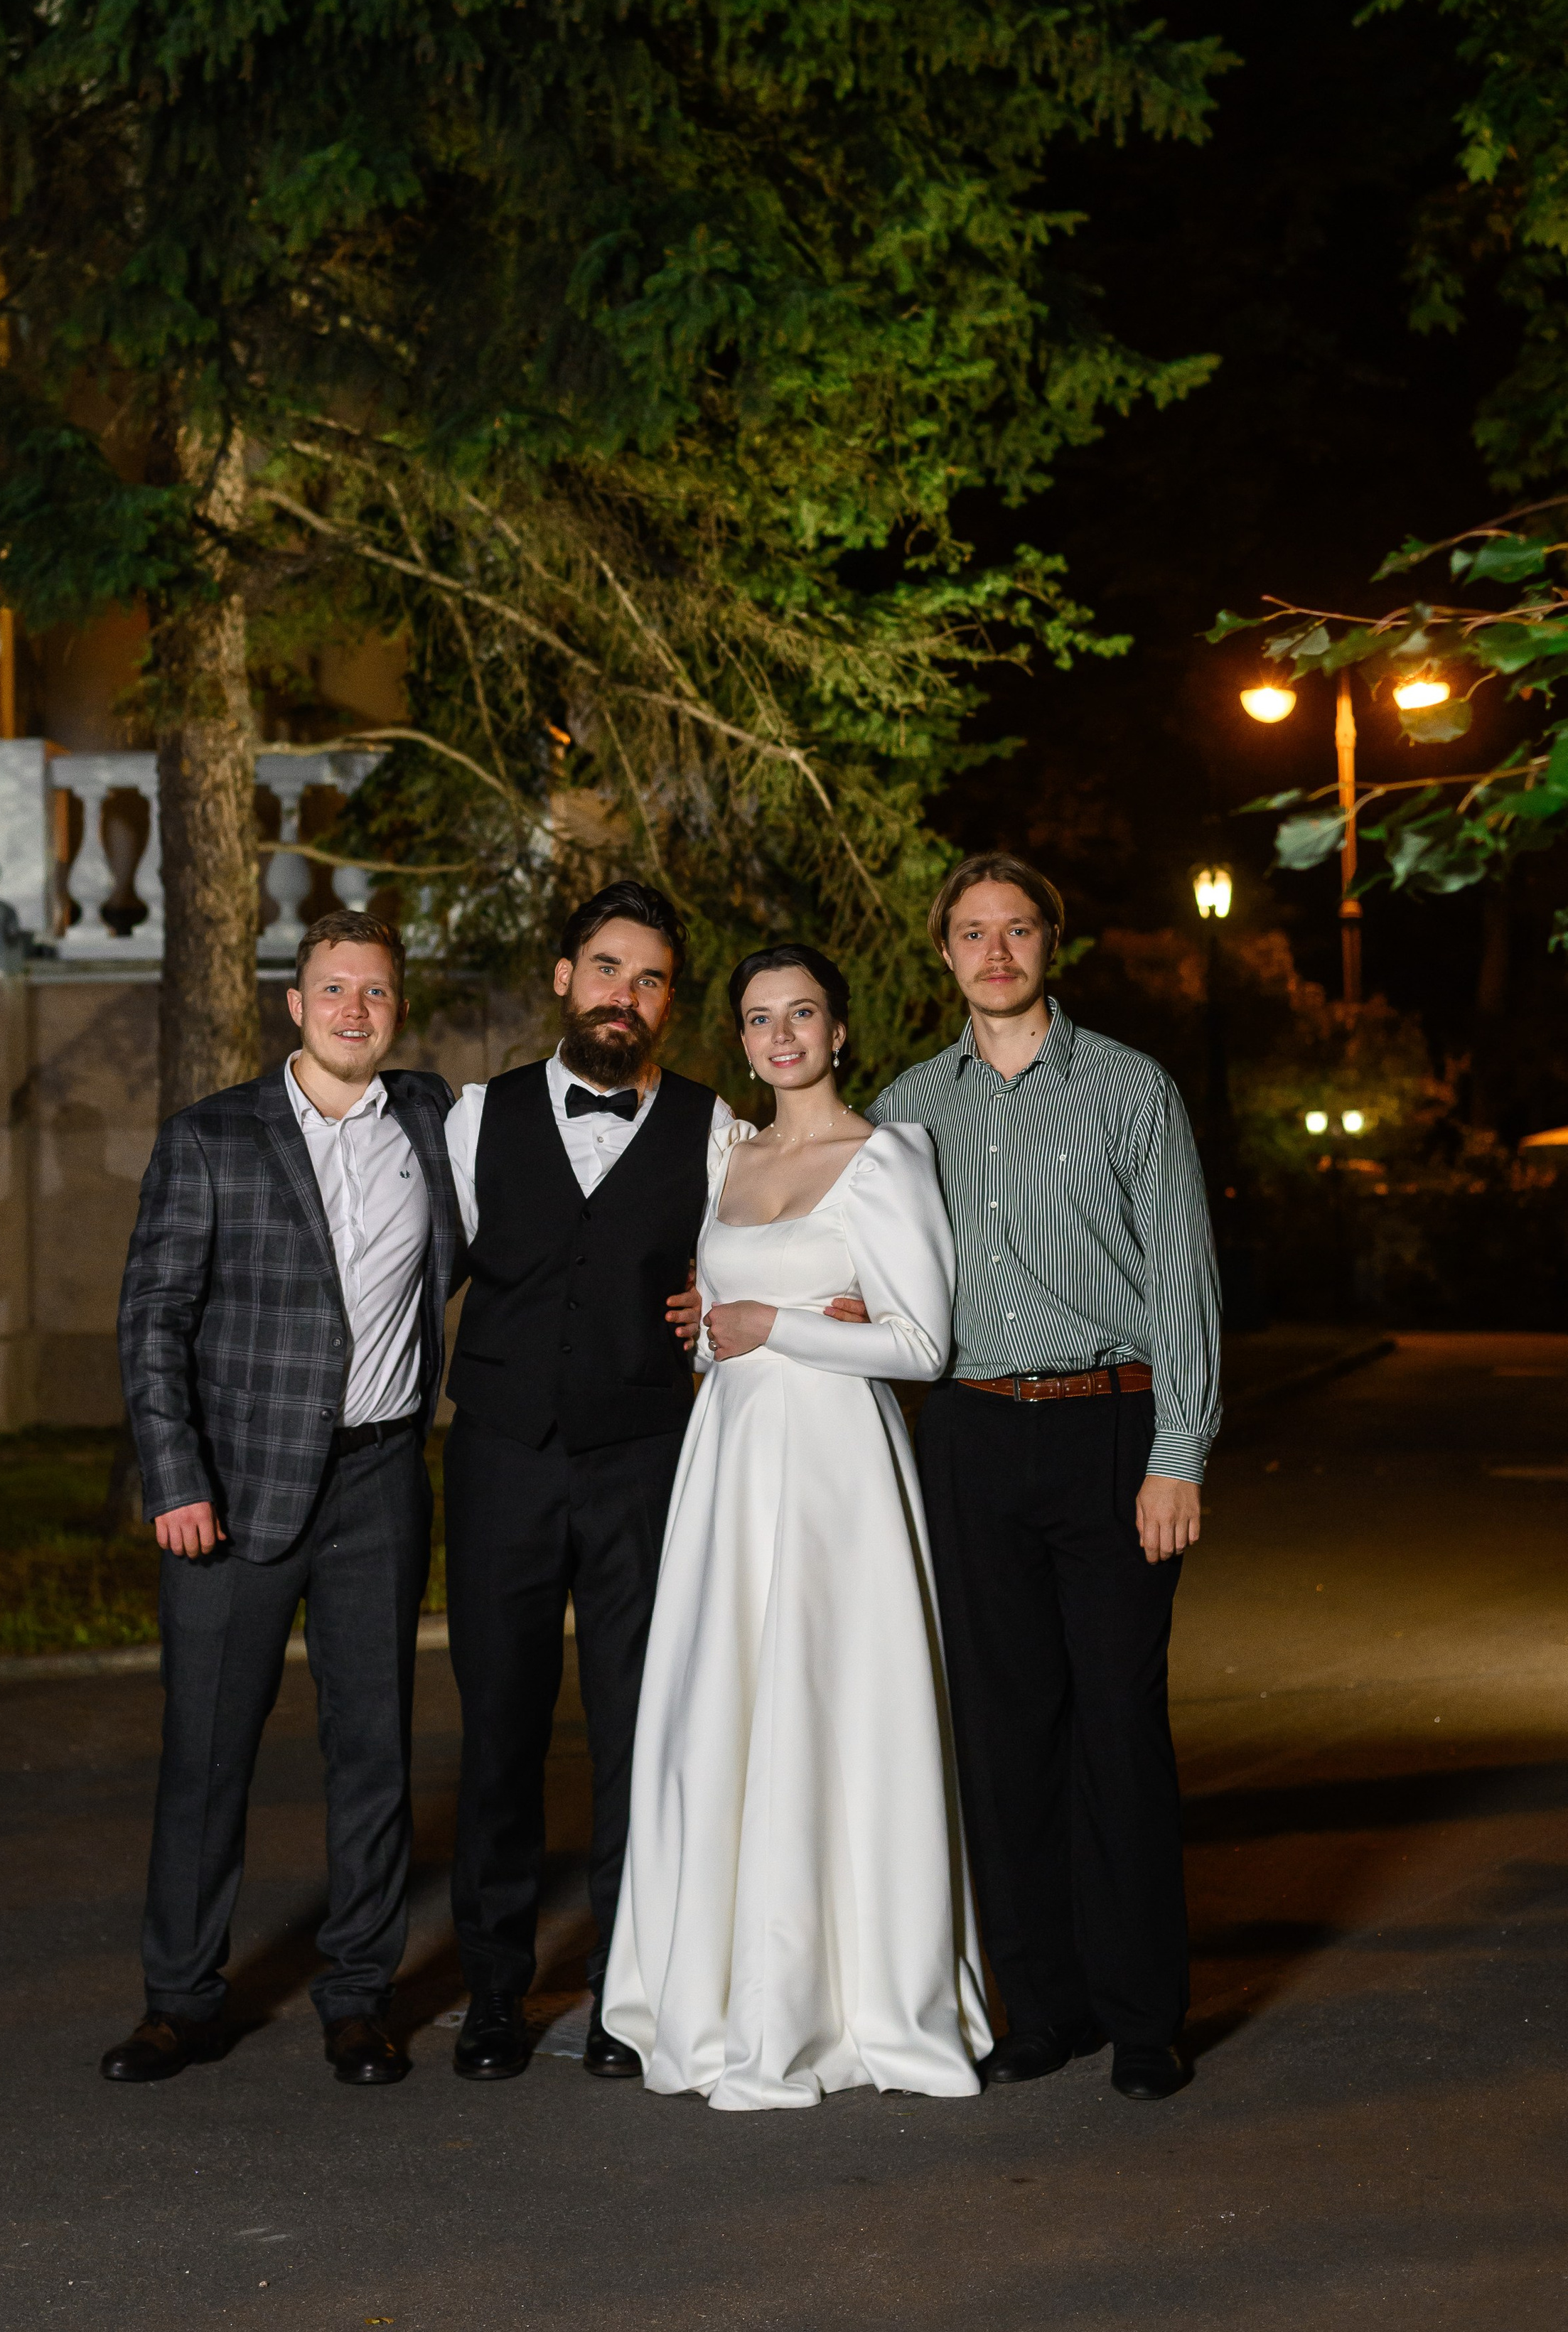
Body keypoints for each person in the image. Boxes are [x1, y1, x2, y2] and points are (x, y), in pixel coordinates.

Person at [602, 945, 990, 2109]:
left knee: (834, 1709)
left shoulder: (885, 1161)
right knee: (721, 1706)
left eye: (802, 1015)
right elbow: (715, 1308)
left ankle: (852, 1998)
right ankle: (719, 1988)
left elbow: (925, 1345)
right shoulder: (730, 1151)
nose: (782, 1036)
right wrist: (713, 1321)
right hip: (728, 1460)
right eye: (761, 1018)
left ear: (838, 1031)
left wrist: (782, 1324)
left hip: (835, 1473)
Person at [864, 852, 1221, 2105]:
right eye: (973, 933)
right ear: (945, 951)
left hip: (1109, 1430)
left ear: (1050, 943)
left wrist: (1178, 1453)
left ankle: (1141, 2018)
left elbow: (1183, 1281)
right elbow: (865, 1265)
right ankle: (1043, 2007)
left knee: (1118, 1726)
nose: (996, 952)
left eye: (1018, 930)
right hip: (967, 1434)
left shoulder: (1130, 1088)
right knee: (1004, 1731)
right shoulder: (910, 1105)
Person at [103, 910, 462, 2090]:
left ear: (394, 1009)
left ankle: (358, 1998)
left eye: (376, 991)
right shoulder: (211, 1138)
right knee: (208, 1754)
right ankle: (180, 2002)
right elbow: (152, 1320)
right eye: (334, 990)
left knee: (374, 1752)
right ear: (294, 1005)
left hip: (379, 1479)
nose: (356, 1009)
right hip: (235, 1490)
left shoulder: (432, 1123)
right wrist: (176, 1480)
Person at [441, 880, 729, 2082]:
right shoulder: (472, 1119)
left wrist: (715, 1320)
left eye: (651, 978)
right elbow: (418, 1272)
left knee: (637, 1733)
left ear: (668, 1006)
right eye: (607, 969)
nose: (626, 995)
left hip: (644, 1461)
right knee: (498, 1733)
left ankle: (628, 1996)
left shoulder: (717, 1133)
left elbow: (758, 1276)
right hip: (500, 1457)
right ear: (564, 979)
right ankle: (496, 1995)